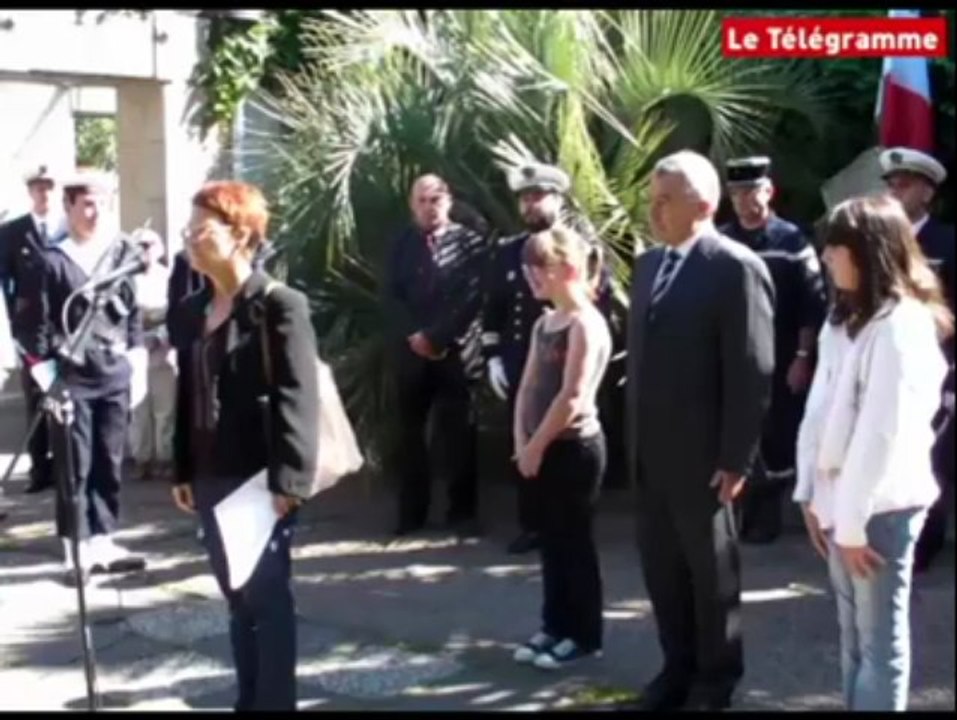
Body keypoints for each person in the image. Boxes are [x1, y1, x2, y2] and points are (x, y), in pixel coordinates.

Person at [624, 150, 775, 711]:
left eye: (666, 200)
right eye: (652, 199)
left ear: (704, 205)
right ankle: (677, 669)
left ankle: (715, 681)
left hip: (706, 458)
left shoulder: (733, 267)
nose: (654, 211)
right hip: (650, 455)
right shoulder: (648, 267)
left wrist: (736, 458)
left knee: (710, 577)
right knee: (663, 573)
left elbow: (751, 370)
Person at [793, 194, 951, 711]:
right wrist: (811, 493)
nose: (826, 257)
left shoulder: (901, 325)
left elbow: (880, 433)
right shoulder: (844, 318)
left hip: (880, 507)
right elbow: (819, 412)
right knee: (854, 640)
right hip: (841, 503)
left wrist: (852, 525)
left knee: (879, 644)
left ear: (868, 251)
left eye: (836, 247)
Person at [170, 181, 318, 711]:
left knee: (267, 599)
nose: (190, 239)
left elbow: (298, 395)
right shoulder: (191, 309)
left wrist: (289, 483)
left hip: (261, 477)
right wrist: (182, 468)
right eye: (187, 230)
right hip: (210, 473)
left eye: (201, 229)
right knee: (237, 597)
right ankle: (247, 700)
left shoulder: (278, 304)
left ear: (240, 234)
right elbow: (188, 392)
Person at [482, 162, 616, 555]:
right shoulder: (508, 252)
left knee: (559, 444)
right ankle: (531, 523)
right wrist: (492, 355)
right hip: (521, 360)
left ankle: (566, 522)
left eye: (538, 196)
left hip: (567, 360)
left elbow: (599, 305)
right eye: (525, 198)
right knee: (524, 435)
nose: (531, 204)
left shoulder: (582, 250)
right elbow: (494, 305)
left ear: (558, 199)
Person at [30, 171, 148, 576]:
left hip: (114, 374)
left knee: (108, 461)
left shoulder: (119, 255)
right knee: (73, 466)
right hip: (72, 379)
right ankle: (75, 546)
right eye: (86, 205)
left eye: (101, 204)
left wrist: (137, 361)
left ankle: (103, 540)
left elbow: (132, 313)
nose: (95, 213)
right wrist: (49, 382)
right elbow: (35, 326)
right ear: (69, 206)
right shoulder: (52, 260)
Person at [510, 226, 611, 670]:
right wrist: (521, 439)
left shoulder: (585, 323)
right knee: (550, 541)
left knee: (574, 542)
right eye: (528, 270)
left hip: (575, 450)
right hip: (540, 448)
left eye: (539, 268)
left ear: (566, 268)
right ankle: (554, 624)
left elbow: (572, 396)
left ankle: (583, 635)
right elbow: (528, 385)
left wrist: (537, 444)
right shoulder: (544, 323)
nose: (532, 278)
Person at [720, 156, 827, 543]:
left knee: (778, 433)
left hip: (782, 355)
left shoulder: (791, 241)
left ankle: (768, 513)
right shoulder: (722, 240)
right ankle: (744, 510)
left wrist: (803, 357)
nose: (743, 200)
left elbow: (811, 304)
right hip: (734, 357)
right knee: (740, 431)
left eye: (751, 191)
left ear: (769, 191)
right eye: (736, 193)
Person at [383, 174, 486, 537]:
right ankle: (412, 513)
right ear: (412, 205)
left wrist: (438, 336)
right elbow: (390, 295)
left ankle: (462, 513)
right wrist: (415, 335)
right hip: (411, 354)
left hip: (456, 352)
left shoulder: (471, 243)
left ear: (449, 201)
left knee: (460, 434)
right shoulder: (400, 243)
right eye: (422, 201)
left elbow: (473, 296)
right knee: (409, 435)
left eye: (436, 199)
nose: (429, 207)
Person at [879, 147, 955, 574]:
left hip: (936, 370)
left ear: (927, 193)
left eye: (904, 185)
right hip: (886, 366)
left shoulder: (947, 243)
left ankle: (925, 542)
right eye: (891, 185)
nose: (895, 192)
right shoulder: (879, 242)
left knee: (931, 457)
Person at [0, 165, 63, 494]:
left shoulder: (66, 228)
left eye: (49, 187)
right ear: (30, 192)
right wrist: (14, 319)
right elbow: (5, 279)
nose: (44, 193)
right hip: (30, 329)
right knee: (36, 398)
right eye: (39, 188)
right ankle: (40, 469)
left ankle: (65, 466)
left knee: (66, 396)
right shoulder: (13, 231)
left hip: (65, 326)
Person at [128, 229, 176, 481]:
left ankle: (165, 457)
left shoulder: (168, 277)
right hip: (135, 348)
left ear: (160, 248)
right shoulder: (126, 279)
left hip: (162, 347)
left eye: (150, 244)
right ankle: (141, 457)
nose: (146, 249)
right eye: (140, 245)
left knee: (164, 408)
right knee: (138, 407)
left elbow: (175, 313)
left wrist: (161, 336)